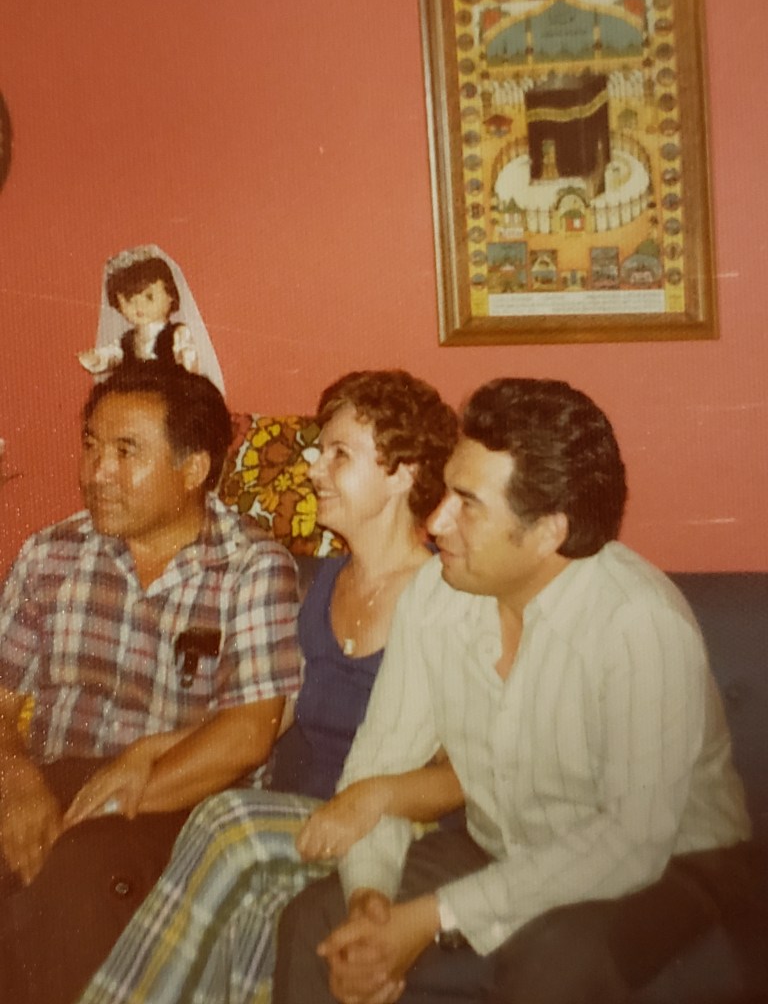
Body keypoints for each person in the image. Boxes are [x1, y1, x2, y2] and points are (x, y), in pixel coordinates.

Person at [273, 377, 764, 1004]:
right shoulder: (434, 597)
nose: (436, 521)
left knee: (558, 959)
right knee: (316, 921)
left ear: (547, 532)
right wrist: (370, 901)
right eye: (446, 491)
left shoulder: (639, 622)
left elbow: (631, 841)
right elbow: (380, 764)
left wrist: (429, 917)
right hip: (502, 841)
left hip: (672, 862)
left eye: (467, 504)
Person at [77, 369, 460, 1004]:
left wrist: (365, 803)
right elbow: (274, 714)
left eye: (339, 455)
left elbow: (462, 774)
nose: (313, 468)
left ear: (403, 474)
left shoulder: (447, 599)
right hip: (295, 815)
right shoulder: (325, 584)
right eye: (317, 452)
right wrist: (152, 749)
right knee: (251, 921)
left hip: (389, 833)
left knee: (228, 820)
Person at [0, 362, 300, 1003]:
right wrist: (17, 780)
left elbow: (248, 735)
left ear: (193, 469)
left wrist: (93, 812)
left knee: (78, 875)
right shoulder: (50, 554)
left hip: (180, 801)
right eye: (90, 446)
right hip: (50, 778)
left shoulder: (252, 570)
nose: (95, 473)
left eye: (125, 452)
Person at [78, 244, 226, 394]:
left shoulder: (177, 334)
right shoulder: (127, 340)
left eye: (149, 297)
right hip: (136, 394)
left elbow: (188, 364)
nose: (139, 306)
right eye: (129, 301)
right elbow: (112, 355)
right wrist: (97, 359)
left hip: (169, 392)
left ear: (170, 295)